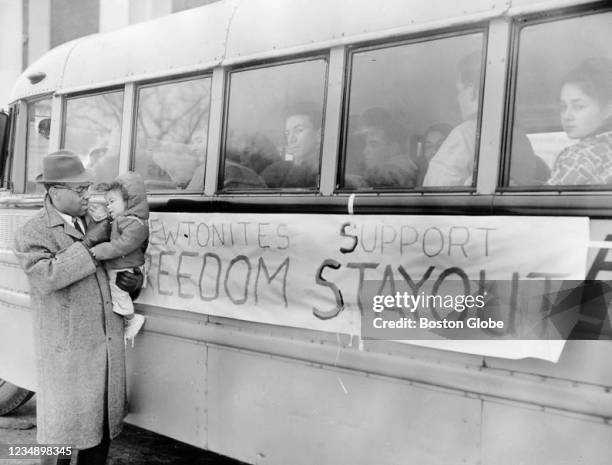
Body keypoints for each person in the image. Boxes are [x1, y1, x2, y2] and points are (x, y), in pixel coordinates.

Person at [13, 150, 143, 465]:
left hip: (105, 351)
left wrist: (133, 281)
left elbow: (119, 263)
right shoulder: (32, 232)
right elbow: (48, 276)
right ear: (55, 191)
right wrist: (87, 245)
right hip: (68, 357)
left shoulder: (97, 221)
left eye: (88, 188)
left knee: (98, 441)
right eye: (79, 190)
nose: (88, 196)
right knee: (58, 441)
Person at [90, 172, 148, 344]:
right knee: (116, 294)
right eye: (107, 203)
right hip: (118, 264)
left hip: (123, 265)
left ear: (129, 201)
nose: (108, 207)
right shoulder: (126, 220)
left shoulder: (135, 224)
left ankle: (131, 319)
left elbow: (120, 244)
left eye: (112, 202)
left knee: (118, 294)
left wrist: (100, 250)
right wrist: (105, 219)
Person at [547, 58, 612, 185]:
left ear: (608, 109)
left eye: (579, 106)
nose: (567, 116)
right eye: (563, 107)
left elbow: (542, 202)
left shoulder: (579, 156)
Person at [423, 52, 481, 187]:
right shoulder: (517, 136)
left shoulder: (465, 134)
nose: (458, 99)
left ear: (471, 90)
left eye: (459, 90)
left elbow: (435, 191)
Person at [261, 101, 322, 188]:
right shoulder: (277, 172)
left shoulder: (327, 174)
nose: (291, 139)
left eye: (298, 130)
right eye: (287, 133)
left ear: (319, 135)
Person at [358, 107, 417, 188]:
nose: (364, 151)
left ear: (394, 149)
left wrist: (352, 181)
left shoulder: (400, 168)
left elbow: (388, 175)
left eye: (373, 145)